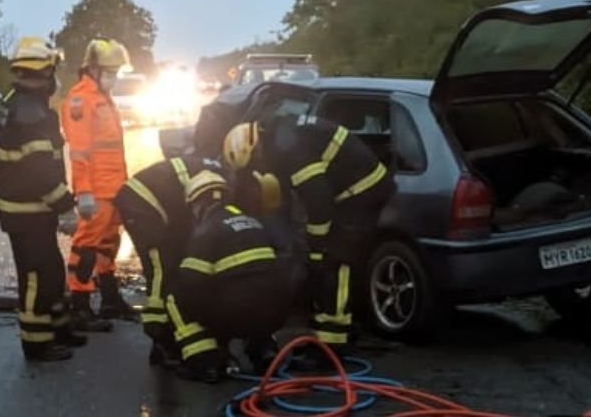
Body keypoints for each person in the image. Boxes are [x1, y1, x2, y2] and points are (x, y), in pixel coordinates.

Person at [221, 115, 394, 360]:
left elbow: (318, 202)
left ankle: (332, 345)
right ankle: (341, 327)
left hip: (362, 191)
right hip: (351, 189)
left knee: (336, 260)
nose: (259, 168)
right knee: (332, 259)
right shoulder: (281, 133)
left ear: (254, 147)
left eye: (255, 162)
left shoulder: (288, 149)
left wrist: (317, 245)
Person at [0, 36, 83, 362]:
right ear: (45, 73)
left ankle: (59, 329)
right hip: (27, 211)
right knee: (35, 277)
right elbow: (40, 172)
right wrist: (66, 206)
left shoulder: (16, 103)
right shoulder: (31, 114)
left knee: (52, 272)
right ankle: (37, 343)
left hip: (30, 209)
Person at [171, 170, 291, 383]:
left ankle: (205, 362)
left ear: (197, 202)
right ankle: (264, 351)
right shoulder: (253, 221)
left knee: (175, 296)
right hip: (277, 313)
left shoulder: (206, 230)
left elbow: (191, 282)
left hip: (236, 314)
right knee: (256, 294)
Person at [112, 155, 227, 368]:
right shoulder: (224, 185)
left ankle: (169, 330)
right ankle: (160, 334)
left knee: (175, 261)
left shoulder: (219, 175)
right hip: (140, 202)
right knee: (160, 265)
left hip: (163, 204)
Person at [61, 37, 134, 329]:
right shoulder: (81, 99)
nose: (114, 77)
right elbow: (80, 152)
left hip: (114, 186)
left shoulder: (103, 97)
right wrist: (85, 192)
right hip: (97, 189)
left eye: (116, 72)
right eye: (110, 72)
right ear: (93, 69)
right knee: (86, 245)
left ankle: (110, 299)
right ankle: (79, 305)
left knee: (108, 243)